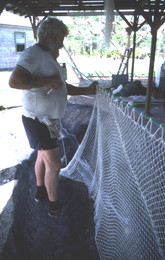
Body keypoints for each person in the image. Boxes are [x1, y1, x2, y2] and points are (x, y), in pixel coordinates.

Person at [9, 17, 97, 218]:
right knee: (55, 165)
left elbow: (61, 86)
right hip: (38, 120)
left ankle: (41, 189)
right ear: (50, 36)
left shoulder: (48, 56)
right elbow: (14, 82)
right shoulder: (33, 54)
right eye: (60, 38)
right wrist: (45, 81)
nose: (62, 43)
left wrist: (87, 90)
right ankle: (53, 204)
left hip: (48, 120)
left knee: (42, 155)